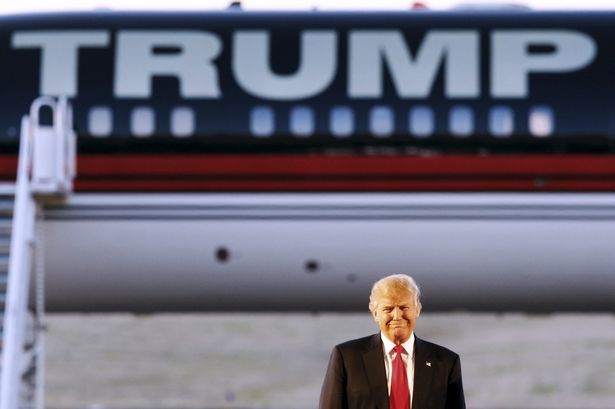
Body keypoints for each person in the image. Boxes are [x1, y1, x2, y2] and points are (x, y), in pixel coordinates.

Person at [319, 274, 465, 409]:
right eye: (388, 309)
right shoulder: (347, 358)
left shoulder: (447, 362)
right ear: (375, 314)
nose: (397, 316)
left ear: (417, 310)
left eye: (404, 307)